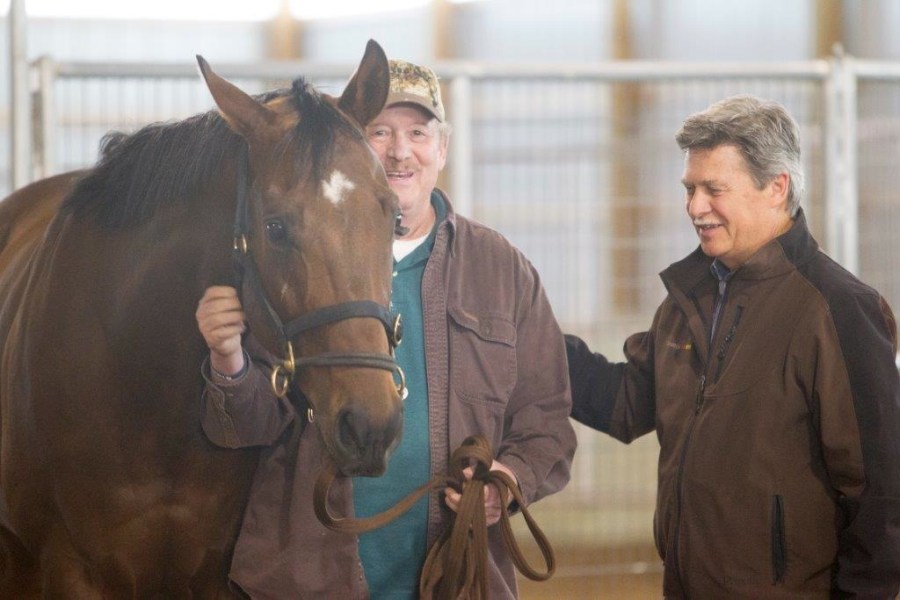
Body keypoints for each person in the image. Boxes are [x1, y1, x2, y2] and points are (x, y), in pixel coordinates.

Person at [196, 58, 576, 598]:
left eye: (418, 133)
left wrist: (509, 481)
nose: (400, 151)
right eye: (380, 133)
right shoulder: (295, 260)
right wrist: (228, 359)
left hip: (456, 574)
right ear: (350, 147)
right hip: (315, 578)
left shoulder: (500, 269)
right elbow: (248, 429)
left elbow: (546, 418)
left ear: (442, 149)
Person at [565, 95, 900, 598]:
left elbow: (881, 491)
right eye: (689, 189)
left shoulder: (838, 309)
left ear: (776, 187)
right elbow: (627, 402)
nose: (695, 207)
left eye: (713, 189)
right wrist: (526, 338)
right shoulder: (688, 299)